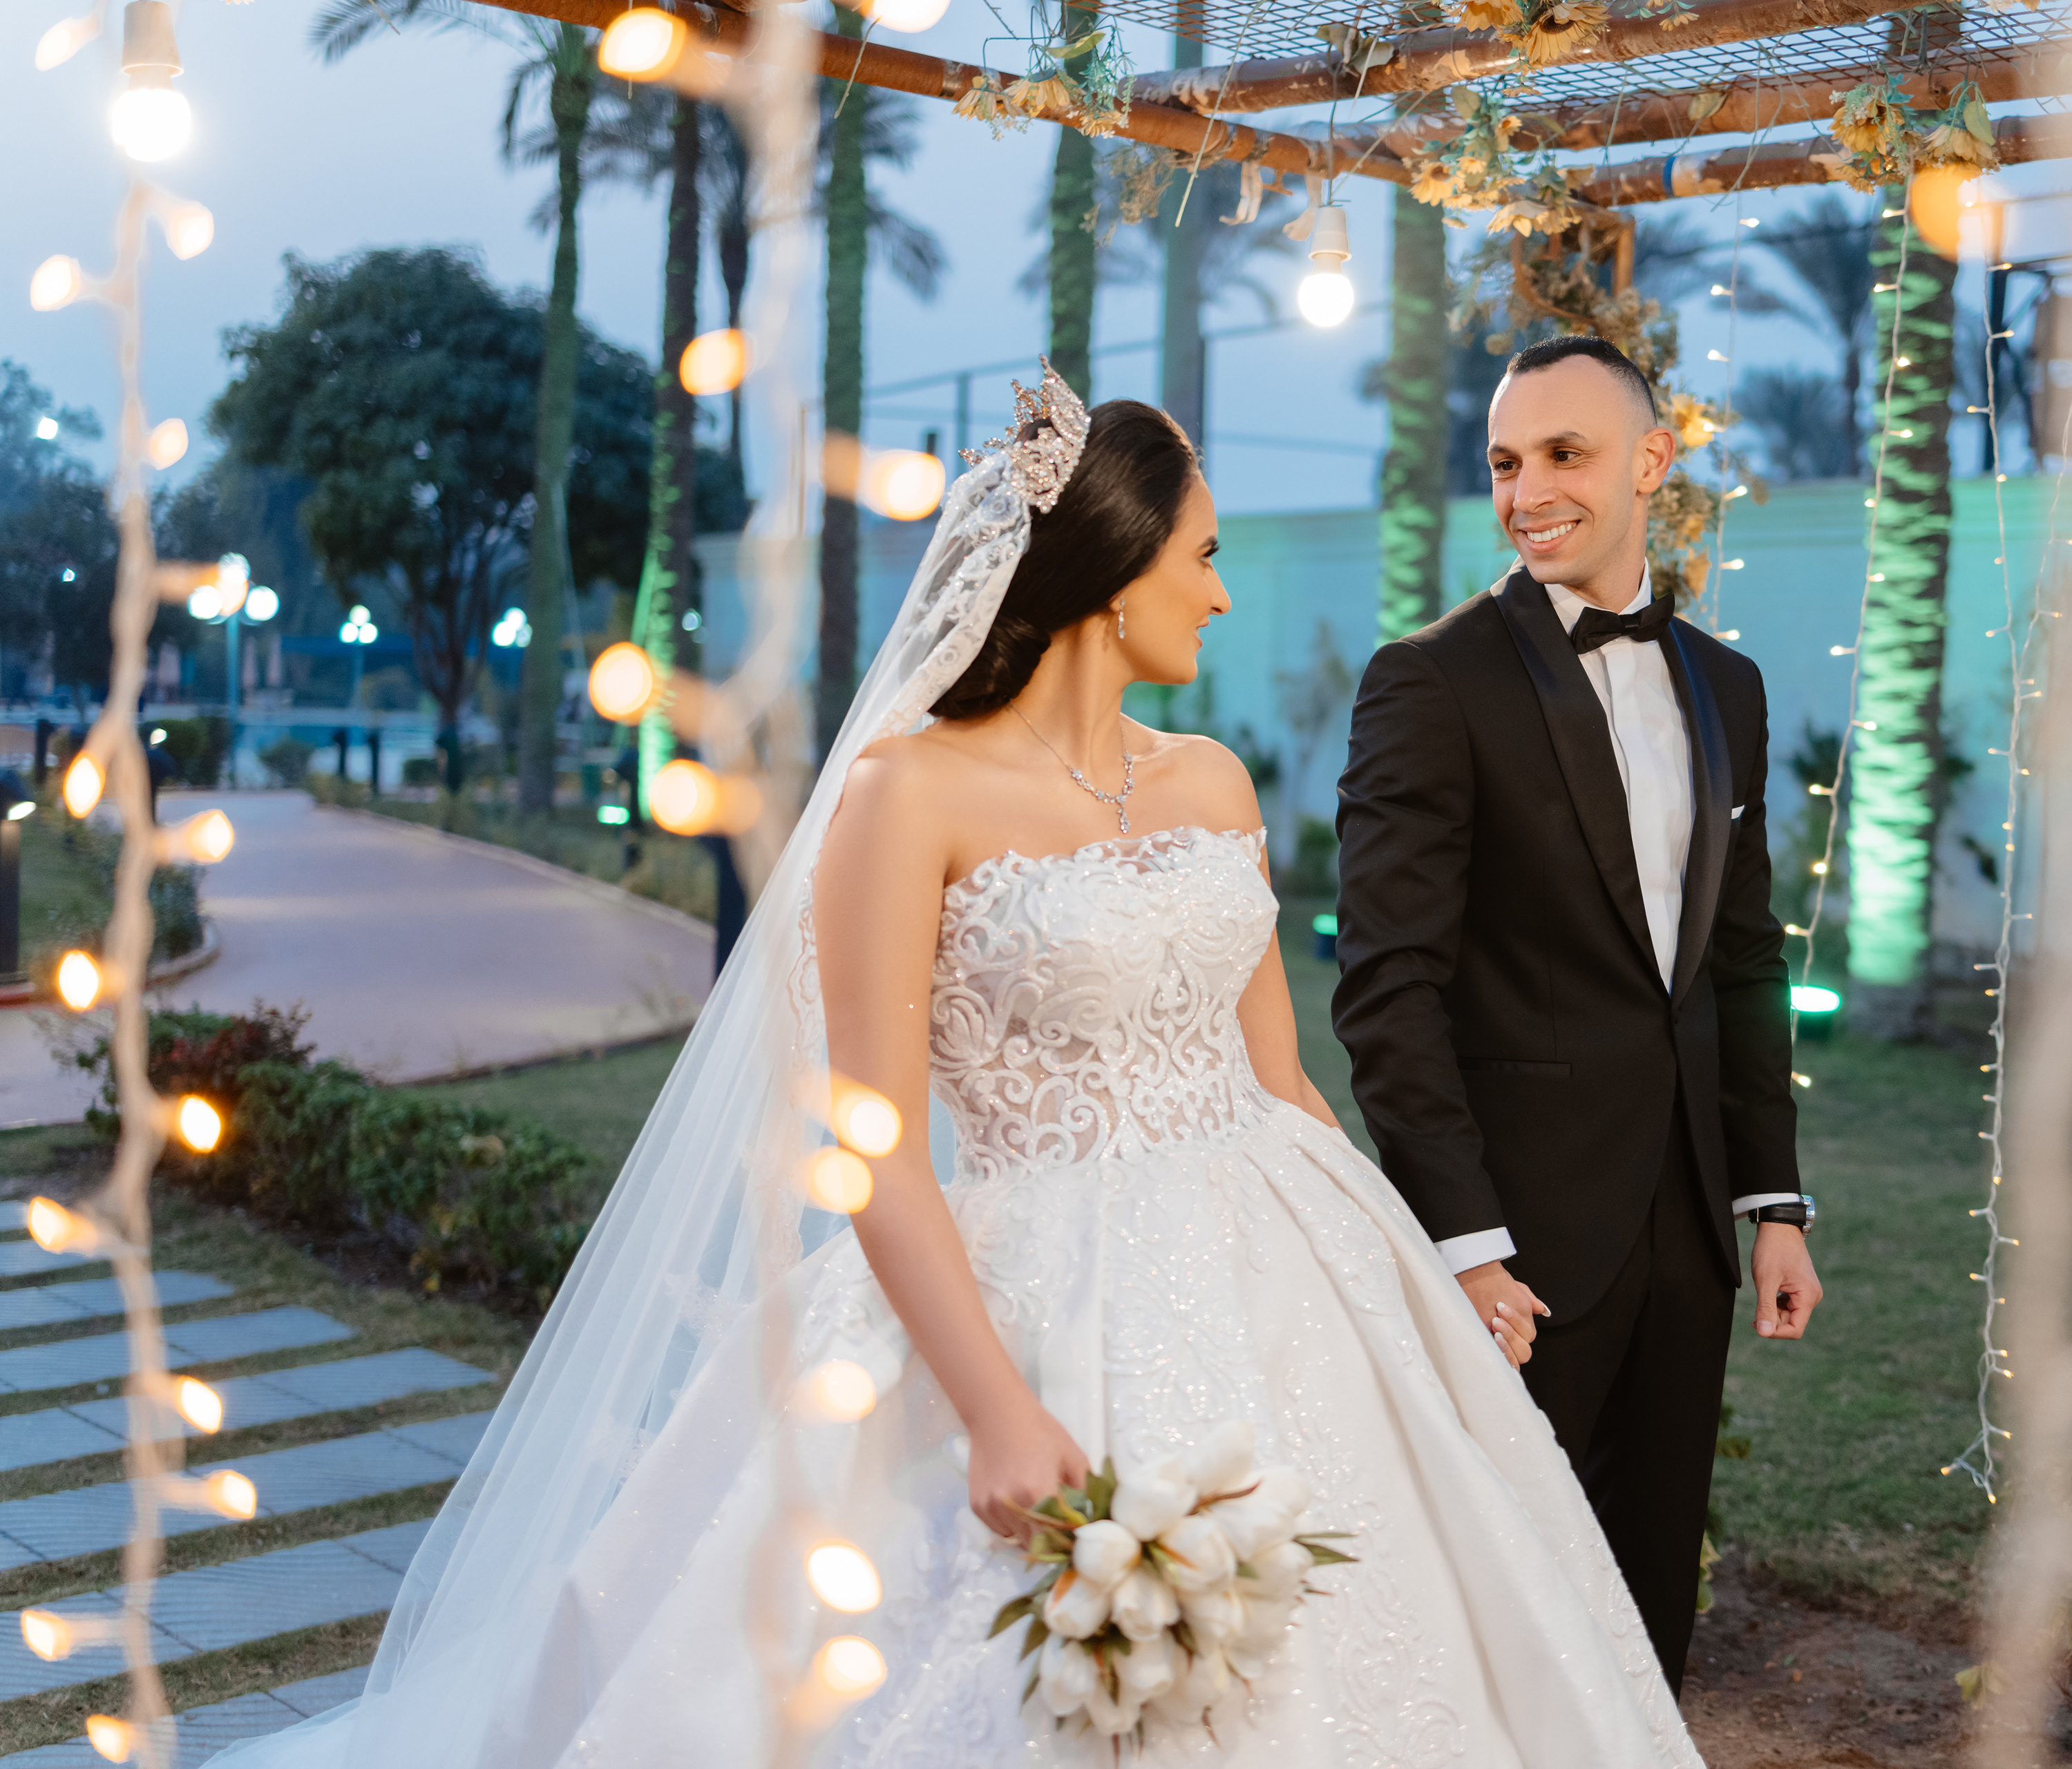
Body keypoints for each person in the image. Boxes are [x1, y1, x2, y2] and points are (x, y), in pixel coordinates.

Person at [211, 376, 1697, 1768]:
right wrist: (994, 1406)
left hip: (1285, 1250)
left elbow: (1283, 1081)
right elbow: (872, 1144)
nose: (1224, 592)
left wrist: (1412, 1275)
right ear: (1116, 581)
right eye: (1203, 556)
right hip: (1024, 1268)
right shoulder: (906, 796)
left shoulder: (1211, 780)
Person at [1331, 334, 1822, 1692]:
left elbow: (1742, 960)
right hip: (1521, 1248)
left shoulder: (1730, 688)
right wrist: (1465, 1241)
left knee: (1649, 1593)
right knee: (1498, 1601)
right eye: (1504, 460)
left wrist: (1771, 1203)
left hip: (1690, 1232)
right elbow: (1388, 986)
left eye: (1565, 454)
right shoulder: (1432, 682)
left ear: (1654, 463)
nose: (1526, 489)